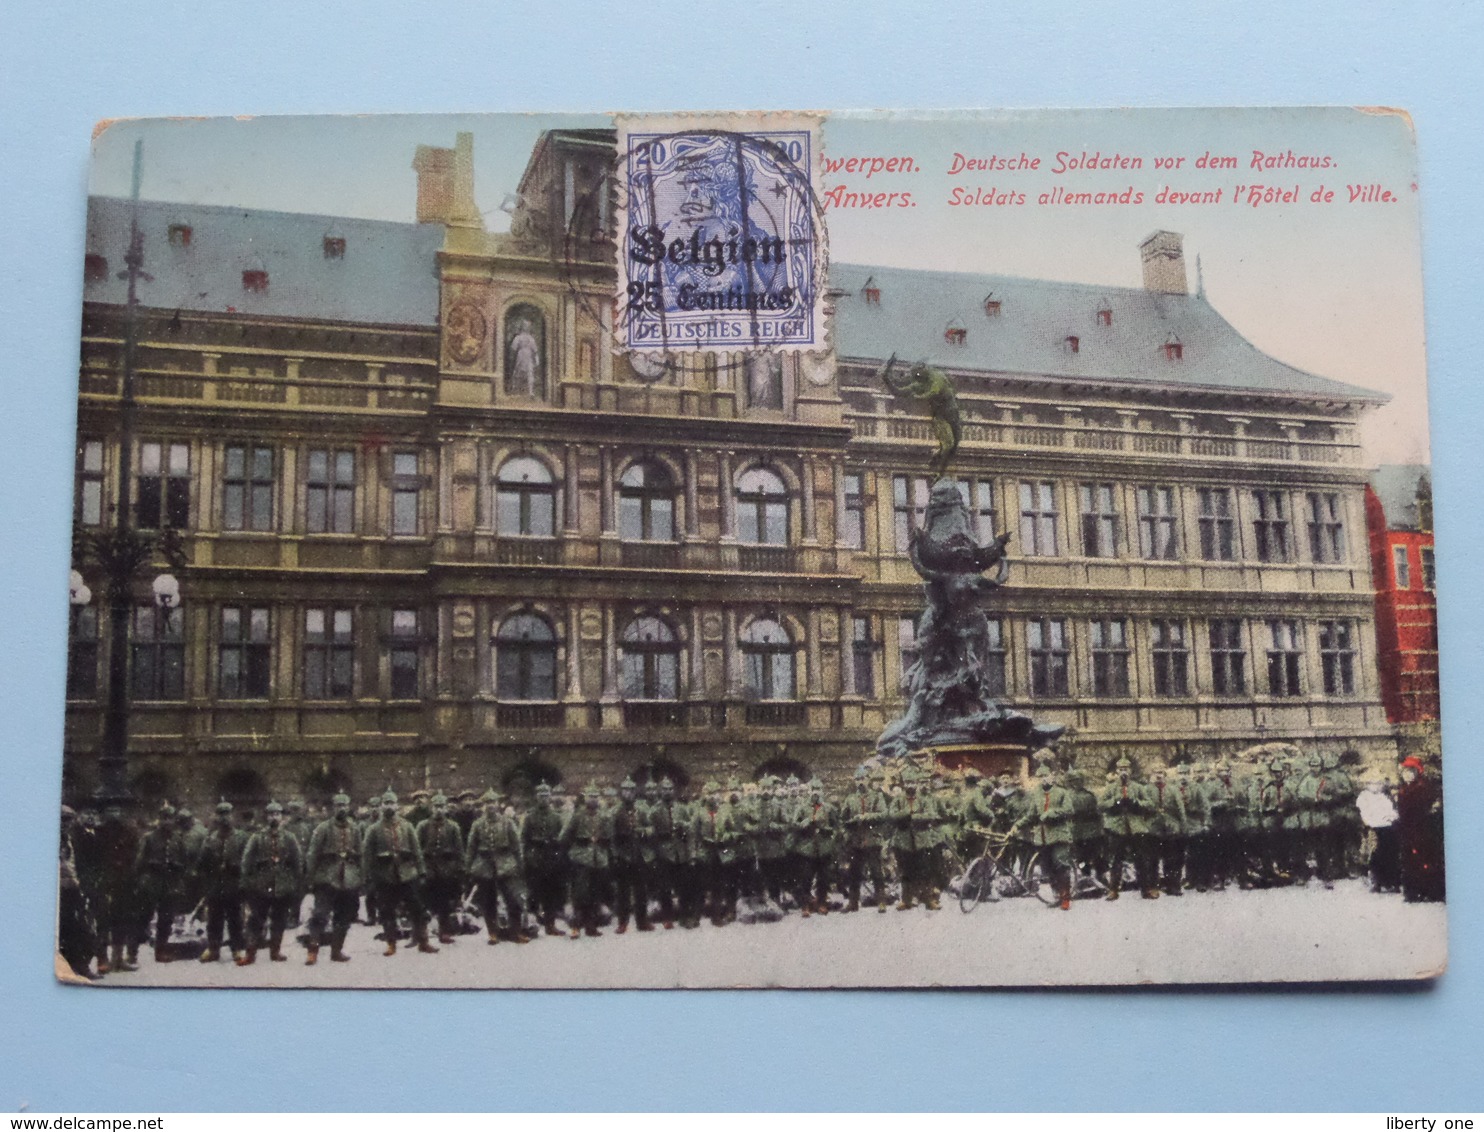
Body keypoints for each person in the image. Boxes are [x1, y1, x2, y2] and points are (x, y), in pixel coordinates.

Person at [361, 790, 438, 956]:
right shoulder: (373, 830)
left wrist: (421, 871)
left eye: (392, 803)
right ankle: (391, 943)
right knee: (387, 910)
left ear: (397, 806)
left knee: (417, 908)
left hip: (407, 873)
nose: (389, 806)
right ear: (382, 806)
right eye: (386, 803)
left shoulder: (407, 826)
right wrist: (367, 876)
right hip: (384, 875)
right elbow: (367, 855)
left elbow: (416, 850)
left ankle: (423, 941)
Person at [238, 801, 304, 964]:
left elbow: (297, 861)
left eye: (277, 814)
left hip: (282, 884)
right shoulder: (257, 837)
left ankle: (275, 951)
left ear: (281, 817)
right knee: (256, 920)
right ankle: (250, 953)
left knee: (279, 919)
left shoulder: (289, 837)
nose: (274, 817)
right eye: (271, 814)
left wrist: (295, 882)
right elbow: (247, 861)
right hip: (261, 885)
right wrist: (249, 882)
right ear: (266, 817)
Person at [465, 789, 531, 944]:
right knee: (488, 901)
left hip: (506, 864)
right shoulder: (477, 825)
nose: (490, 806)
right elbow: (471, 848)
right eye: (487, 803)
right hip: (484, 865)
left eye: (493, 802)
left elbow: (516, 846)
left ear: (498, 804)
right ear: (483, 806)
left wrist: (520, 866)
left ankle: (516, 932)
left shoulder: (507, 822)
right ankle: (492, 933)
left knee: (513, 900)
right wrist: (468, 868)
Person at [304, 792, 361, 964]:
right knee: (320, 915)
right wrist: (310, 878)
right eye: (338, 805)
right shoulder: (323, 828)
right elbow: (312, 854)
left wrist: (360, 877)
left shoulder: (355, 828)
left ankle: (336, 950)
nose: (342, 809)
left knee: (344, 916)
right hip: (326, 878)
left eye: (344, 805)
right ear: (333, 808)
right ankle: (312, 950)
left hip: (348, 878)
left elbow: (360, 854)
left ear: (349, 807)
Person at [193, 800, 249, 964]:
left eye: (227, 814)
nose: (225, 818)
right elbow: (201, 863)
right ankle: (213, 949)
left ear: (233, 816)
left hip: (234, 884)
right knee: (214, 919)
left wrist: (237, 868)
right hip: (216, 886)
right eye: (221, 815)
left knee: (235, 920)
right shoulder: (210, 839)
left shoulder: (241, 838)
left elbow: (248, 862)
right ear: (217, 818)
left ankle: (237, 949)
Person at [135, 802, 188, 963]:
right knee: (143, 917)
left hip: (170, 883)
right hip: (152, 881)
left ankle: (161, 950)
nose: (167, 822)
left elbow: (184, 860)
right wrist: (147, 870)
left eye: (170, 819)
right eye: (164, 818)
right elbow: (139, 861)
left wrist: (177, 867)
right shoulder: (149, 838)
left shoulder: (178, 839)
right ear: (159, 819)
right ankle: (133, 951)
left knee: (166, 919)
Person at [1016, 764, 1075, 910]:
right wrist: (1017, 825)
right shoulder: (1036, 794)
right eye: (1040, 777)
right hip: (1042, 837)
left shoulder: (1062, 793)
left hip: (1059, 834)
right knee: (1047, 868)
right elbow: (1031, 815)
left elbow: (1069, 810)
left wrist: (1051, 813)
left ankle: (1065, 898)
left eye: (1045, 776)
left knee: (1061, 864)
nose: (1043, 780)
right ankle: (1056, 894)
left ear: (1052, 776)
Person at [1099, 757, 1158, 899]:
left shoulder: (1138, 788)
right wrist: (1115, 802)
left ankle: (1146, 889)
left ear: (1131, 771)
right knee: (1116, 859)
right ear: (1116, 771)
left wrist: (1136, 802)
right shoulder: (1111, 788)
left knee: (1141, 859)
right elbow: (1101, 805)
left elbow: (1150, 804)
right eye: (1120, 769)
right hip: (1117, 827)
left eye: (1126, 769)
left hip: (1136, 827)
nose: (1123, 772)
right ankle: (1113, 889)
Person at [560, 785, 613, 938]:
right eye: (590, 796)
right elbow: (565, 837)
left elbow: (608, 837)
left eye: (596, 796)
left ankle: (591, 926)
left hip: (597, 859)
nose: (593, 799)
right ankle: (576, 927)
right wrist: (573, 852)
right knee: (580, 894)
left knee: (595, 894)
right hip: (581, 859)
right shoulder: (577, 815)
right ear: (585, 799)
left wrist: (602, 843)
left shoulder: (603, 816)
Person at [93, 803, 141, 973]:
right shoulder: (98, 835)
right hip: (104, 884)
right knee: (103, 922)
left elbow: (133, 858)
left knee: (121, 921)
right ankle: (102, 959)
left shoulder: (129, 834)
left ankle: (118, 959)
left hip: (123, 884)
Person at [416, 793, 466, 944]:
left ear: (446, 809)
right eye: (436, 807)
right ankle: (421, 933)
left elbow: (459, 850)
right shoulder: (423, 826)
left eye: (442, 807)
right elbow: (417, 849)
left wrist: (460, 869)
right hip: (428, 867)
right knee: (424, 901)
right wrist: (419, 869)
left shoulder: (453, 827)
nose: (439, 810)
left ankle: (444, 932)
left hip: (446, 868)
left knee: (445, 902)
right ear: (431, 808)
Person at [1395, 756, 1445, 903]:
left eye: (1411, 772)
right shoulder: (1404, 789)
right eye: (1405, 772)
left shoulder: (1422, 788)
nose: (1407, 775)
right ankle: (1413, 892)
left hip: (1421, 829)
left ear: (1417, 773)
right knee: (1410, 860)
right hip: (1408, 830)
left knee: (1423, 859)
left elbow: (1422, 810)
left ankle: (1429, 891)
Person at [842, 767, 890, 913]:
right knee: (854, 872)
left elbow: (883, 814)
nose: (860, 782)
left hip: (872, 838)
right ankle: (853, 902)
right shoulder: (850, 799)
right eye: (857, 779)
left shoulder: (877, 797)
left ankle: (881, 901)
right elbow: (843, 819)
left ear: (868, 780)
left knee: (876, 871)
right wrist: (849, 827)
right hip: (856, 839)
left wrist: (866, 817)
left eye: (863, 778)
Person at [522, 781, 568, 936]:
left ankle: (550, 925)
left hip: (551, 858)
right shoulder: (529, 817)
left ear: (550, 798)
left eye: (546, 796)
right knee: (533, 894)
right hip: (535, 857)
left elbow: (561, 839)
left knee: (551, 894)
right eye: (540, 796)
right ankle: (530, 925)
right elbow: (524, 840)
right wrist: (527, 857)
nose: (543, 799)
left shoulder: (556, 817)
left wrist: (558, 857)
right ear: (536, 797)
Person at [58, 806, 97, 980]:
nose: (66, 824)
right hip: (59, 889)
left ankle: (81, 965)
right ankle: (70, 966)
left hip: (73, 888)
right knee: (65, 928)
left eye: (68, 820)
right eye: (63, 820)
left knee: (81, 927)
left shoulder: (71, 840)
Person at [610, 777, 652, 933]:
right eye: (626, 791)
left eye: (631, 791)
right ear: (622, 792)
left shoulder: (641, 810)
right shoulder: (615, 811)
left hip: (639, 854)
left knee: (641, 890)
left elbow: (650, 828)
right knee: (623, 892)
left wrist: (642, 831)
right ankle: (623, 922)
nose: (628, 794)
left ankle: (642, 921)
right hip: (623, 855)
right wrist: (615, 855)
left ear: (635, 792)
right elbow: (611, 836)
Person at [793, 778, 838, 916]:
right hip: (807, 847)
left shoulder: (829, 808)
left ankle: (822, 903)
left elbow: (837, 826)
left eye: (818, 790)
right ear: (809, 791)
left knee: (823, 878)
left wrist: (830, 834)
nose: (815, 793)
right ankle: (806, 905)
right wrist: (806, 822)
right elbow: (794, 824)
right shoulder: (801, 807)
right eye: (813, 790)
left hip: (824, 846)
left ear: (822, 791)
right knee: (806, 878)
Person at [1356, 779, 1401, 894]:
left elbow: (1392, 811)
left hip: (1387, 826)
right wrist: (1371, 823)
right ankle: (1377, 881)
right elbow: (1364, 814)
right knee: (1376, 854)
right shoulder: (1364, 797)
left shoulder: (1384, 797)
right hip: (1374, 827)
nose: (1376, 786)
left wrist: (1392, 817)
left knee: (1390, 853)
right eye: (1373, 783)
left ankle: (1391, 881)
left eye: (1378, 784)